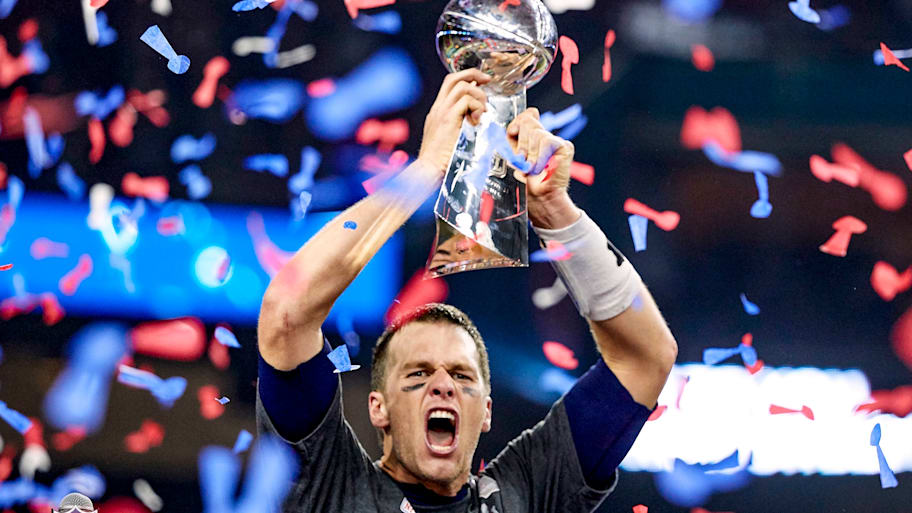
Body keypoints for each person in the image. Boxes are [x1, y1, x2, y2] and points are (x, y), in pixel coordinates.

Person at [256, 69, 678, 512]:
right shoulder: (334, 489)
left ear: (487, 411)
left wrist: (554, 210)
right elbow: (287, 312)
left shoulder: (524, 495)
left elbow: (646, 357)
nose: (442, 386)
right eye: (417, 375)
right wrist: (425, 171)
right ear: (378, 409)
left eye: (462, 376)